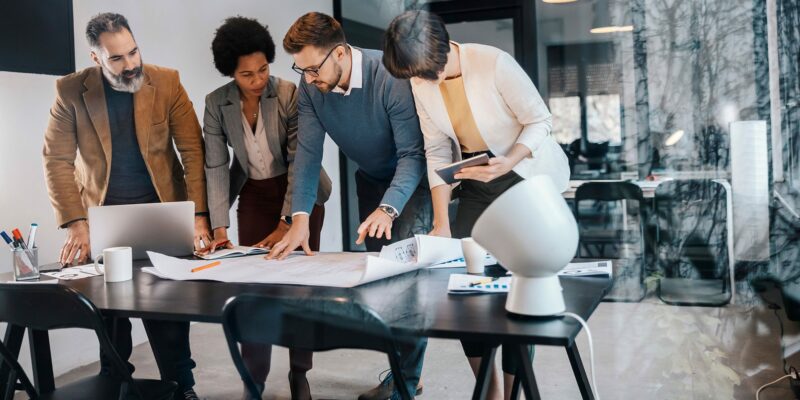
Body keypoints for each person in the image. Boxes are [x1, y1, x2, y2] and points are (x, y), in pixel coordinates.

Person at [382, 10, 570, 400]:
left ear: (440, 48)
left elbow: (540, 120)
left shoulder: (493, 62)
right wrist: (440, 222)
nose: (421, 81)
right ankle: (490, 391)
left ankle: (515, 391)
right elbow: (436, 149)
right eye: (414, 75)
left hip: (523, 176)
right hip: (475, 178)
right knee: (467, 290)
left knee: (521, 287)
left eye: (424, 72)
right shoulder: (420, 79)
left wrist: (511, 158)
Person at [42, 12, 210, 400]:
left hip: (162, 215)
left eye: (133, 52)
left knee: (168, 314)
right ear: (96, 57)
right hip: (101, 220)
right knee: (108, 314)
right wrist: (75, 222)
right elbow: (56, 159)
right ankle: (114, 385)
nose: (130, 63)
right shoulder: (70, 90)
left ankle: (182, 389)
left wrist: (199, 215)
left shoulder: (167, 81)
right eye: (117, 58)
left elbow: (192, 152)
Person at [270, 12, 431, 400]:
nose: (307, 78)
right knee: (382, 284)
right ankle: (402, 370)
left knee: (405, 284)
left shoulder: (389, 76)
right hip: (369, 181)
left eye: (312, 68)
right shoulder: (311, 87)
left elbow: (412, 155)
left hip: (411, 186)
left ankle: (404, 386)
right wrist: (299, 219)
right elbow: (307, 156)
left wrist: (389, 208)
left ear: (340, 53)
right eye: (300, 69)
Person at [201, 16, 332, 400]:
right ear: (231, 74)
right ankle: (253, 378)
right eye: (246, 75)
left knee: (300, 286)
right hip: (255, 193)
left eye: (263, 69)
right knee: (253, 288)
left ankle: (299, 373)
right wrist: (220, 228)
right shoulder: (216, 104)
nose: (257, 80)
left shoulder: (291, 92)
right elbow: (214, 166)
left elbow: (300, 161)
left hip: (302, 195)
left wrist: (287, 221)